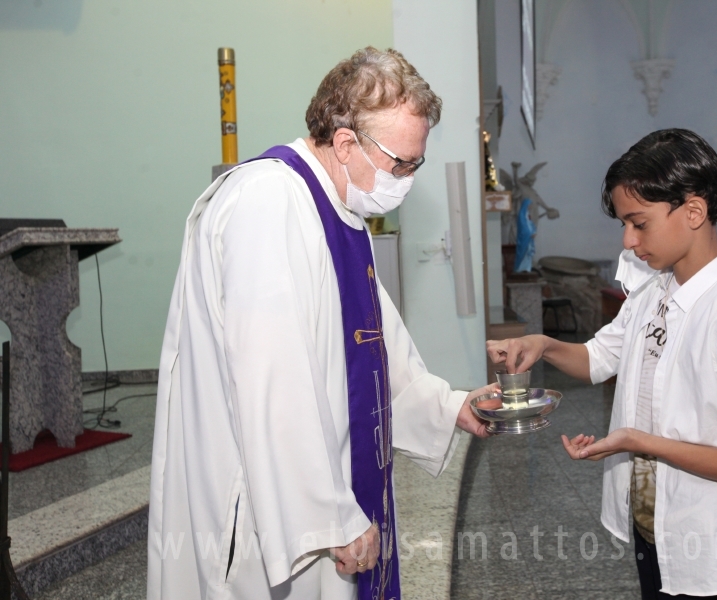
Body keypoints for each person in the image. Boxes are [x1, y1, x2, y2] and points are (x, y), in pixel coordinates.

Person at [147, 47, 492, 600]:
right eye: (399, 163)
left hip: (320, 483)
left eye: (415, 165)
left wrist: (451, 406)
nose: (405, 180)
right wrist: (326, 512)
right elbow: (270, 380)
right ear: (345, 142)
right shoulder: (266, 201)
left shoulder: (337, 210)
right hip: (266, 511)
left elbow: (374, 352)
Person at [487, 129, 717, 599]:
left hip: (714, 547)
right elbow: (598, 358)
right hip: (654, 526)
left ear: (694, 211)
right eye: (624, 225)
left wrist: (641, 441)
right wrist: (544, 344)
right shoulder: (654, 290)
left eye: (639, 223)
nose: (628, 241)